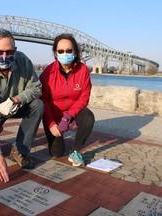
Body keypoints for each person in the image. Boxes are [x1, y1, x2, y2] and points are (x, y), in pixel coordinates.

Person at [0, 29, 44, 182]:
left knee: (38, 105)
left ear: (15, 50)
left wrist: (16, 99)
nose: (5, 56)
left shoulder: (23, 61)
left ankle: (20, 149)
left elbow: (36, 88)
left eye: (9, 51)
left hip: (16, 106)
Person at [39, 33, 95, 167]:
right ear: (55, 53)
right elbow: (43, 100)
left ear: (75, 52)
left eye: (69, 50)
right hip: (54, 115)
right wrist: (51, 123)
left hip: (72, 114)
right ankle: (58, 136)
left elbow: (84, 97)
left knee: (88, 117)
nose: (65, 53)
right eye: (61, 51)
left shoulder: (83, 70)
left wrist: (69, 116)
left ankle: (75, 151)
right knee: (56, 153)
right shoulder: (48, 72)